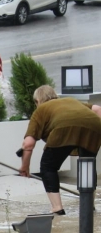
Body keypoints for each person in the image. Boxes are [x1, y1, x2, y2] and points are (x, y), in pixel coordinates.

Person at [19, 85, 101, 215]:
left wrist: (25, 166)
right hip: (94, 127)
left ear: (37, 101)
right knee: (87, 166)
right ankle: (88, 205)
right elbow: (97, 109)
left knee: (48, 167)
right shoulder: (70, 101)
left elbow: (28, 144)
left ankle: (57, 208)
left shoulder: (41, 110)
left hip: (63, 129)